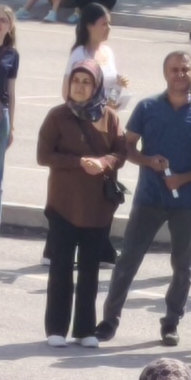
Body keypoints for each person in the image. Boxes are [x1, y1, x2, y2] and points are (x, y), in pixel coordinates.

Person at [98, 49, 191, 342]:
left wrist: (183, 177)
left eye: (185, 69)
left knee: (183, 266)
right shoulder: (147, 108)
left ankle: (171, 322)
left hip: (187, 202)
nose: (180, 75)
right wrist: (148, 161)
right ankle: (109, 320)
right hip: (149, 198)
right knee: (128, 259)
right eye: (174, 69)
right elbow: (126, 147)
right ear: (165, 73)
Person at [36, 62, 125, 343]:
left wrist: (104, 163)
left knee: (90, 270)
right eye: (76, 80)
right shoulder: (58, 116)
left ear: (97, 85)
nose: (80, 86)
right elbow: (44, 155)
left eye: (87, 81)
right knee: (61, 268)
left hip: (97, 207)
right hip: (63, 205)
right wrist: (78, 163)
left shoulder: (109, 117)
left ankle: (85, 330)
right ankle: (56, 329)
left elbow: (120, 153)